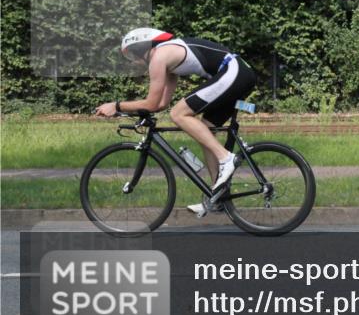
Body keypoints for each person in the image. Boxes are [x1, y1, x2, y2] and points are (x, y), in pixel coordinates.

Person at [94, 28, 257, 214]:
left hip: (234, 72)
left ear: (141, 48)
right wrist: (127, 111)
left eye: (132, 56)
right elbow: (160, 104)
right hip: (238, 74)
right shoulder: (169, 61)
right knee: (205, 132)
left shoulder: (159, 56)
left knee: (179, 114)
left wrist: (116, 105)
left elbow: (152, 102)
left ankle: (226, 158)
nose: (134, 63)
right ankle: (218, 196)